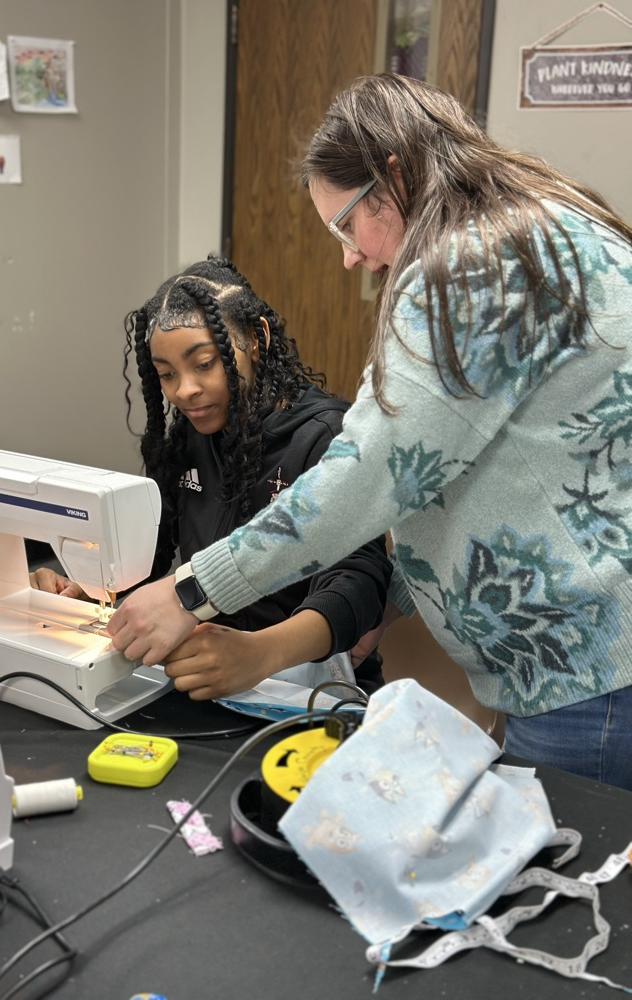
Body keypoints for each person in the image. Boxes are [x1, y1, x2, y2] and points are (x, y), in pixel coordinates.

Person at [107, 73, 632, 790]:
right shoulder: (553, 228)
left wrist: (189, 592)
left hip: (589, 665)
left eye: (347, 225)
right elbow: (500, 461)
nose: (351, 255)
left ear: (394, 176)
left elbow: (376, 471)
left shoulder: (467, 268)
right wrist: (402, 594)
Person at [34, 255, 391, 699]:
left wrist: (259, 654)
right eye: (167, 375)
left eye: (203, 364)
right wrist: (90, 588)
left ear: (257, 339)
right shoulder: (188, 437)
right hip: (208, 675)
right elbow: (153, 559)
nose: (184, 390)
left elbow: (359, 585)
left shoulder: (325, 436)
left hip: (302, 683)